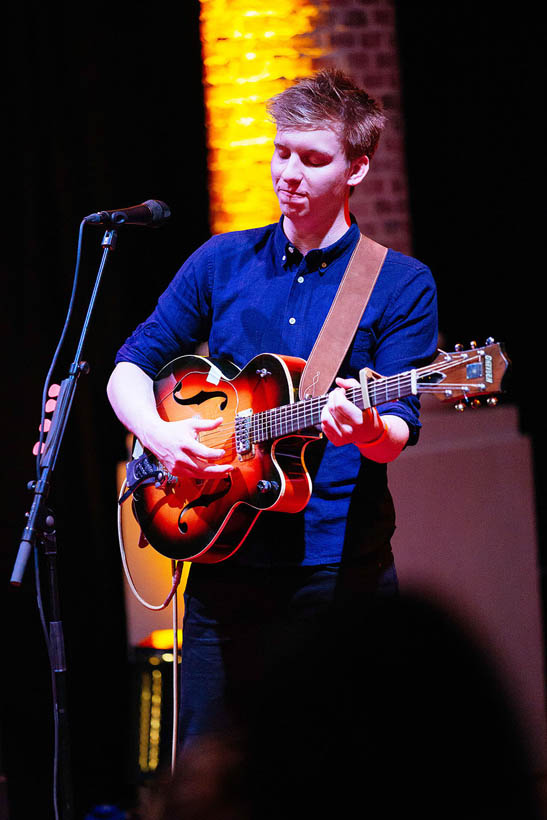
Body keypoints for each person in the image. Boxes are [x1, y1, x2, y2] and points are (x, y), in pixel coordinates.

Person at [107, 69, 438, 751]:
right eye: (281, 151)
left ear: (356, 167)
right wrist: (161, 437)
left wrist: (367, 424)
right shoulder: (220, 261)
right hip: (221, 570)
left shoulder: (399, 282)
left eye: (312, 159)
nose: (288, 172)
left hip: (339, 577)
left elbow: (397, 429)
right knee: (209, 774)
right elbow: (130, 367)